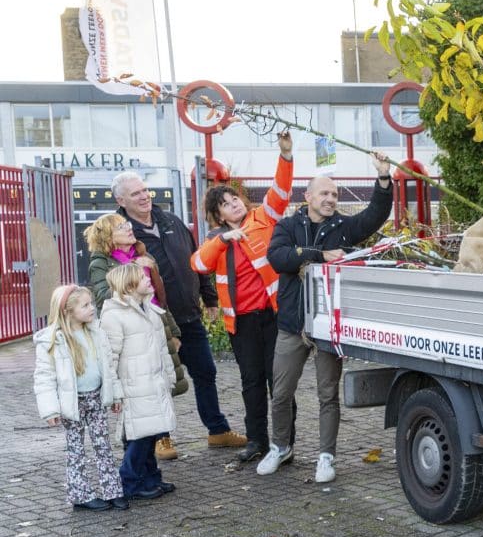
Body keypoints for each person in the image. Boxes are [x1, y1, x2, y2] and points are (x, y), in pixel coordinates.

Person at [257, 153, 393, 483]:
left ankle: (326, 457)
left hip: (328, 328)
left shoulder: (344, 228)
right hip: (292, 324)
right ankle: (280, 447)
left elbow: (375, 216)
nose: (331, 198)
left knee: (327, 395)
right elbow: (278, 258)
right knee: (281, 393)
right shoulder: (288, 226)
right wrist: (319, 255)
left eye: (335, 194)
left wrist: (384, 179)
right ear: (309, 197)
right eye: (325, 193)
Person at [112, 171, 247, 449]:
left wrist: (209, 298)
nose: (143, 196)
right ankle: (161, 438)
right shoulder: (120, 232)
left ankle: (217, 430)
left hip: (188, 315)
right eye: (135, 193)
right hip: (153, 322)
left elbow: (195, 259)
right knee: (160, 382)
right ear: (120, 199)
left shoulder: (170, 221)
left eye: (144, 190)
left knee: (205, 372)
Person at [190, 130, 294, 464]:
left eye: (235, 198)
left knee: (278, 383)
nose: (234, 204)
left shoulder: (263, 217)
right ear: (218, 216)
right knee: (251, 383)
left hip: (274, 317)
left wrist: (286, 155)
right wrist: (223, 240)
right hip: (243, 324)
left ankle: (284, 443)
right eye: (225, 204)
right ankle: (256, 442)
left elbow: (280, 191)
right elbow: (198, 264)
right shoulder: (216, 240)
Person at [85, 212, 188, 461]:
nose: (129, 228)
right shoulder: (102, 262)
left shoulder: (144, 255)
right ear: (109, 237)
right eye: (122, 226)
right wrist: (130, 274)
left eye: (127, 224)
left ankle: (159, 441)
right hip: (130, 334)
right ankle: (136, 459)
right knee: (137, 397)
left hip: (154, 325)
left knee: (160, 385)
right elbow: (103, 297)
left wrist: (171, 331)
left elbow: (157, 298)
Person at [33, 285, 128, 511]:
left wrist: (115, 394)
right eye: (85, 305)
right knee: (76, 450)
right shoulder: (52, 341)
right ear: (68, 310)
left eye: (91, 303)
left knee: (103, 445)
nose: (92, 308)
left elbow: (109, 367)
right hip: (72, 404)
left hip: (96, 399)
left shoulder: (96, 332)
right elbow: (44, 377)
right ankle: (80, 494)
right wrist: (50, 410)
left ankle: (112, 490)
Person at [101, 263, 177, 500]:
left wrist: (170, 377)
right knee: (139, 437)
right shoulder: (115, 316)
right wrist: (114, 390)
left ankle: (151, 477)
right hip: (134, 386)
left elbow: (163, 349)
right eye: (143, 278)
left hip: (153, 383)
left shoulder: (151, 311)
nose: (148, 280)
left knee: (152, 432)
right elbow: (110, 357)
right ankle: (129, 481)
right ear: (130, 285)